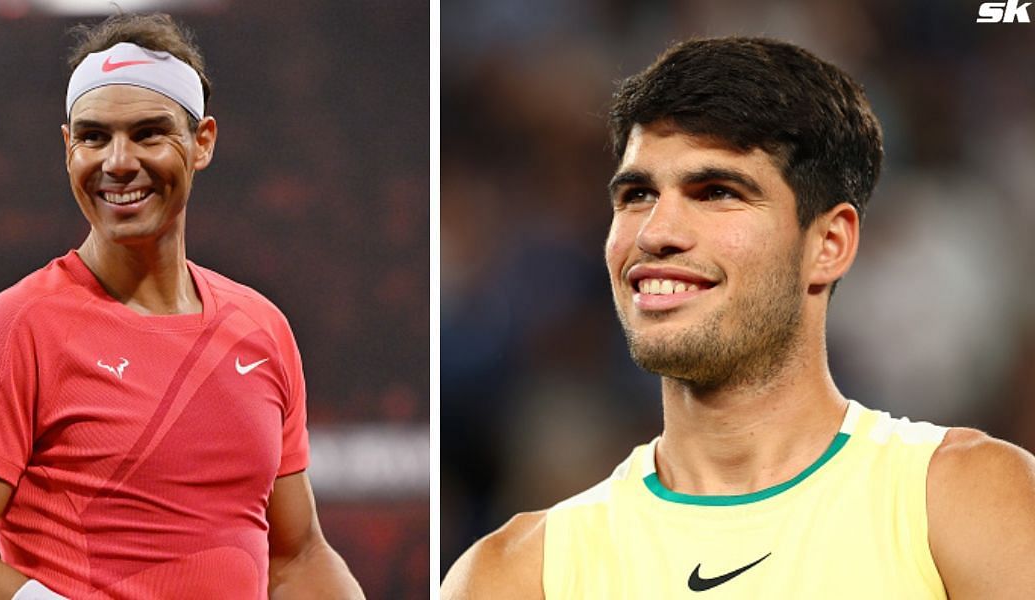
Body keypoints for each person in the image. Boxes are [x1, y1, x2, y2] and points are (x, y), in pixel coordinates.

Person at [442, 36, 1035, 598]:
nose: (656, 233)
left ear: (828, 244)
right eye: (637, 195)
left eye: (717, 191)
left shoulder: (970, 505)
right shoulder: (515, 576)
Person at [0, 13, 363, 600]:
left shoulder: (262, 328)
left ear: (202, 143)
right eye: (94, 136)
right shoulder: (19, 327)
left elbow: (297, 557)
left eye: (147, 133)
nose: (118, 161)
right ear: (68, 148)